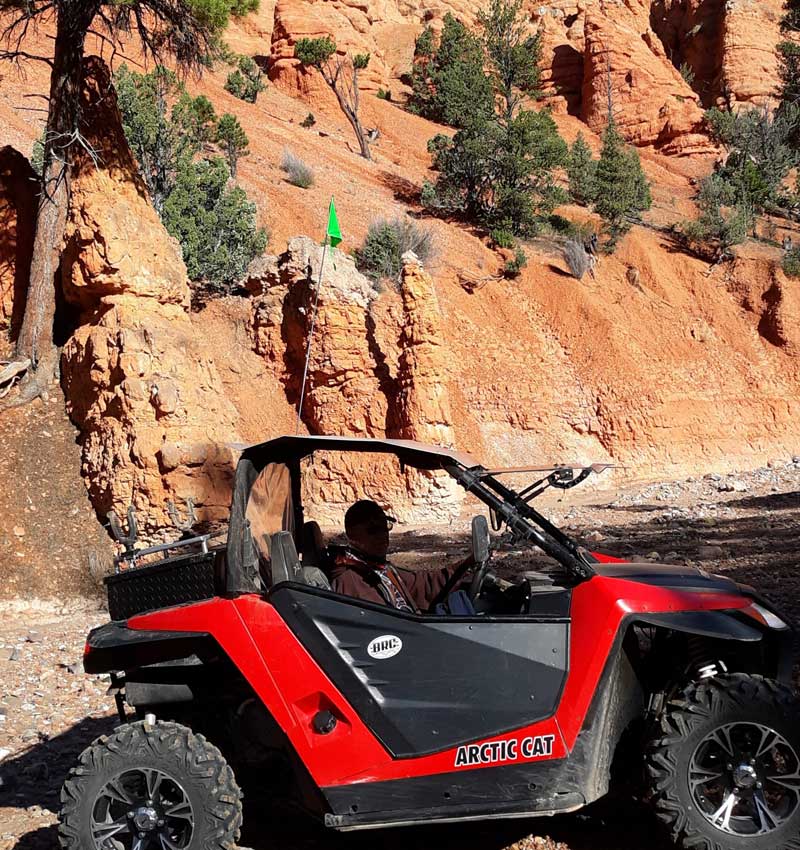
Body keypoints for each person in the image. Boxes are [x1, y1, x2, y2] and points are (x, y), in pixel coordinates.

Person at [328, 499, 469, 612]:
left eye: (385, 526)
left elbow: (421, 585)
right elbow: (381, 628)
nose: (382, 535)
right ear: (353, 536)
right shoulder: (351, 579)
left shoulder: (375, 567)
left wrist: (466, 565)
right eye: (373, 530)